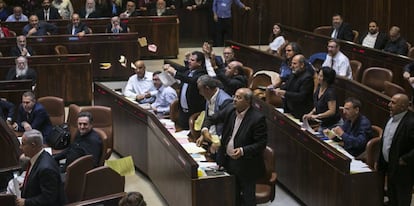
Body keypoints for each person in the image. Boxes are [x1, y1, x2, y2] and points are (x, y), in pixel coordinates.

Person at [202, 88, 267, 205]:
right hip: (228, 161)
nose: (235, 100)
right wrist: (205, 129)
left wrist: (243, 151)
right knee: (231, 195)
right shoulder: (230, 109)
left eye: (239, 97)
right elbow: (211, 118)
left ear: (248, 101)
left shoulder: (257, 118)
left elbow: (261, 144)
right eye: (235, 96)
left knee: (248, 199)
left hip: (246, 165)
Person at [378, 93, 414, 206]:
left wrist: (405, 159)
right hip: (389, 166)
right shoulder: (389, 118)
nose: (389, 105)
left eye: (393, 103)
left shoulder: (411, 123)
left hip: (403, 170)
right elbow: (385, 141)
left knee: (402, 199)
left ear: (403, 106)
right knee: (392, 197)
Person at [16, 129, 65, 206]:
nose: (20, 147)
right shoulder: (38, 157)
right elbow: (38, 180)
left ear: (33, 145)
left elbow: (49, 199)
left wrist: (26, 202)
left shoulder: (46, 169)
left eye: (23, 144)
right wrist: (27, 184)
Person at [164, 51, 207, 130]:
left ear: (199, 63)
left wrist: (174, 72)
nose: (189, 62)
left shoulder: (202, 74)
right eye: (189, 60)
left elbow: (191, 80)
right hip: (182, 112)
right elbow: (183, 70)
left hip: (194, 112)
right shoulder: (188, 72)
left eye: (192, 60)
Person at [195, 74, 232, 147]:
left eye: (200, 90)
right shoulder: (209, 96)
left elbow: (228, 126)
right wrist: (203, 134)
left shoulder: (225, 101)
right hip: (209, 135)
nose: (200, 93)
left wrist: (218, 142)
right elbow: (208, 117)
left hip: (220, 140)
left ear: (207, 89)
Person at [274, 54, 314, 119]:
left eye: (294, 64)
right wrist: (280, 89)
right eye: (292, 63)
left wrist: (285, 93)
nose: (291, 66)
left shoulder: (307, 78)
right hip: (289, 109)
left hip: (300, 113)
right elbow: (287, 85)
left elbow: (301, 96)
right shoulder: (293, 74)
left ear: (302, 65)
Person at [303, 67, 342, 132]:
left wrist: (317, 116)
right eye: (318, 75)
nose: (318, 77)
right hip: (324, 123)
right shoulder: (319, 88)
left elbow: (332, 111)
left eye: (321, 76)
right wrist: (310, 113)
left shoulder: (330, 92)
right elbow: (318, 105)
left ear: (326, 78)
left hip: (333, 125)